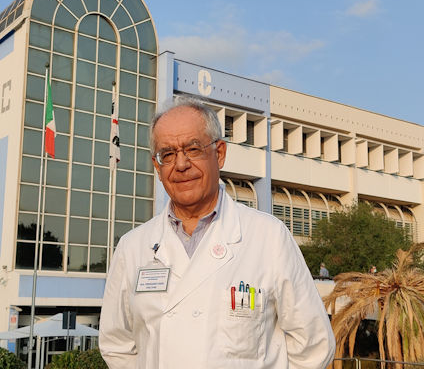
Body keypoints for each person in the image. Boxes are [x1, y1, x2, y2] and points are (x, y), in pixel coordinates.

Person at [99, 100, 335, 368]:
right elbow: (116, 344)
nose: (181, 164)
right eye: (168, 154)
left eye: (193, 149)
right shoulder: (132, 247)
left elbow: (314, 345)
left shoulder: (269, 237)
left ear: (219, 153)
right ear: (157, 166)